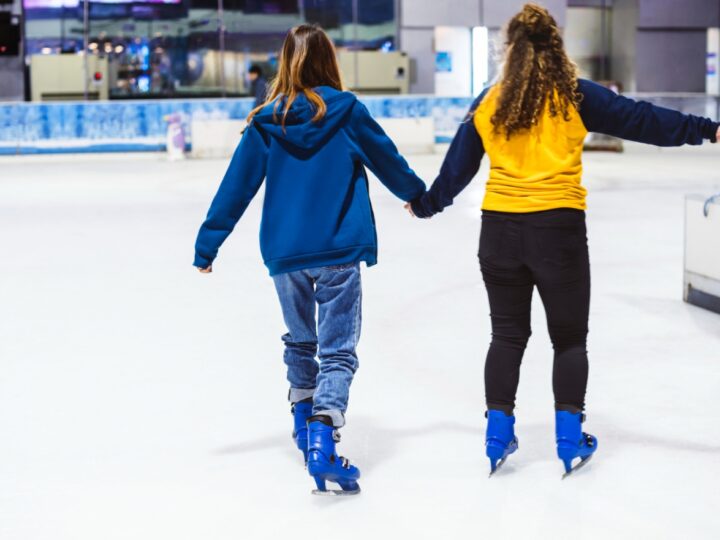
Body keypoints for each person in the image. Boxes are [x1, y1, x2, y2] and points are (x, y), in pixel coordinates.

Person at [408, 3, 720, 477]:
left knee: (507, 335)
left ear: (508, 49)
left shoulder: (489, 101)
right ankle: (569, 438)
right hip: (558, 233)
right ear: (556, 45)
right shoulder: (574, 94)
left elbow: (457, 170)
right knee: (569, 340)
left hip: (499, 233)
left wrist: (426, 204)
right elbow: (642, 120)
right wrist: (708, 130)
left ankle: (497, 434)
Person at [193, 24, 426, 494]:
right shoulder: (347, 112)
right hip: (338, 248)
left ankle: (303, 429)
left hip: (286, 254)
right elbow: (387, 159)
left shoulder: (266, 121)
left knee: (301, 342)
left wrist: (208, 243)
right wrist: (417, 196)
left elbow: (235, 188)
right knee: (337, 350)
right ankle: (323, 436)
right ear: (329, 61)